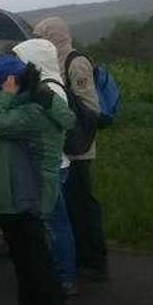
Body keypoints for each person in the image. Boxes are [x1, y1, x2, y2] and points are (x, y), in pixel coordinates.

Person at [0, 55, 74, 305]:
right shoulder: (36, 101)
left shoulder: (33, 112)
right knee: (25, 261)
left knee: (38, 264)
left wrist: (4, 96)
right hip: (23, 192)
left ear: (11, 83)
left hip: (29, 196)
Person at [34, 17, 108, 282]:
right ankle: (79, 257)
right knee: (72, 205)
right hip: (67, 145)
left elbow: (90, 107)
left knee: (82, 203)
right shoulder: (55, 61)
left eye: (42, 34)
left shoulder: (75, 62)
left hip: (78, 145)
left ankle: (95, 260)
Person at [14, 39, 79, 296]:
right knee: (54, 220)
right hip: (54, 163)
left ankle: (64, 276)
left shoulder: (48, 90)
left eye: (22, 60)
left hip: (51, 165)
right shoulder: (49, 86)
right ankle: (62, 273)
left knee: (55, 222)